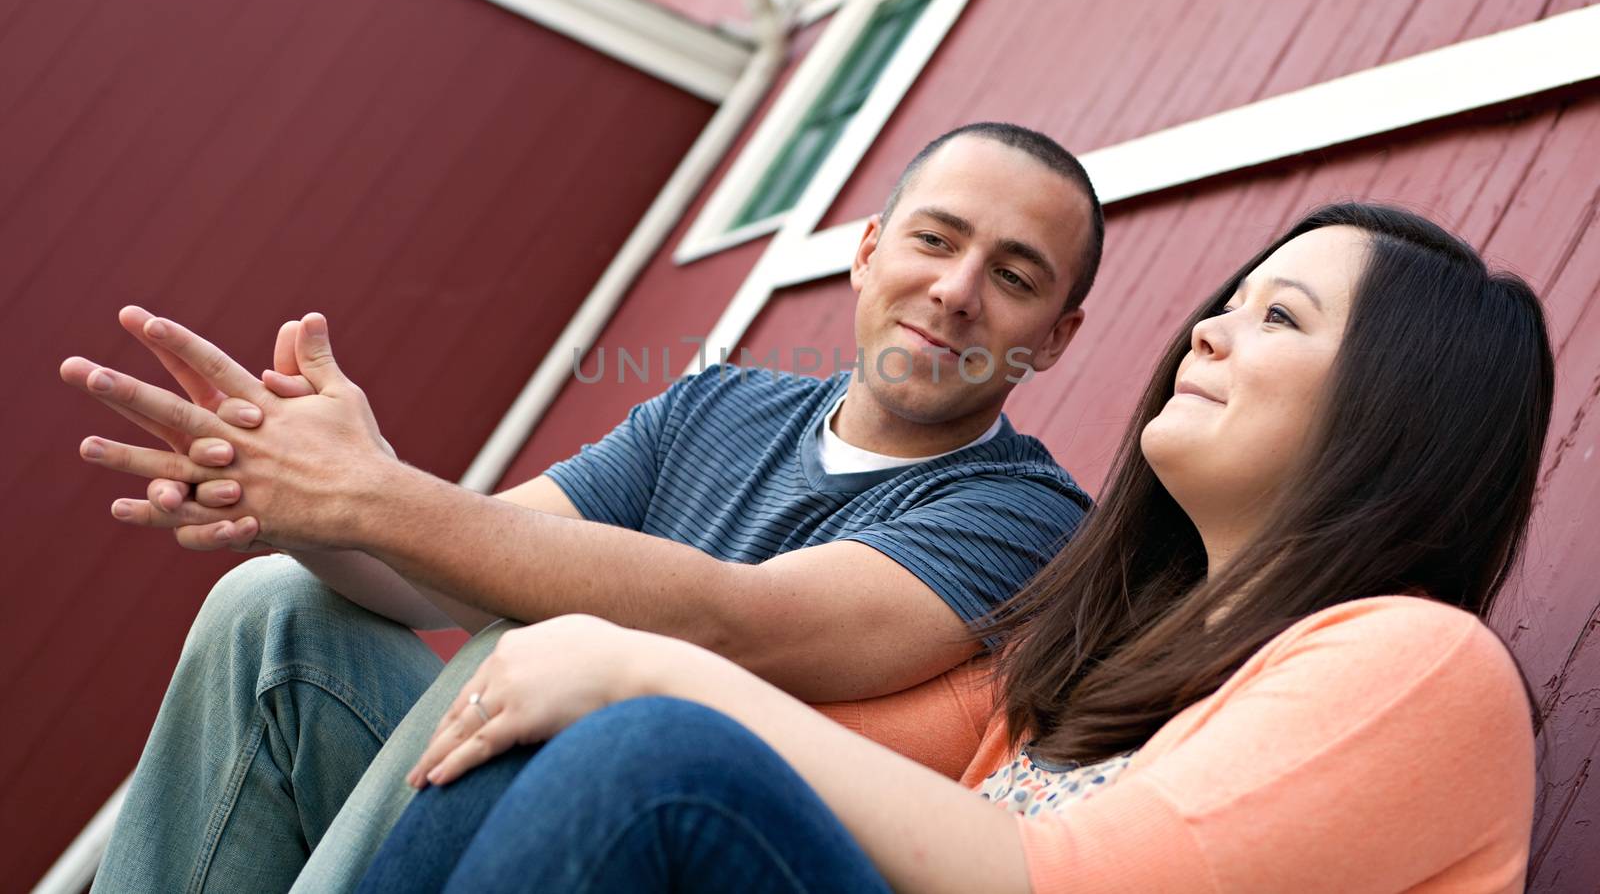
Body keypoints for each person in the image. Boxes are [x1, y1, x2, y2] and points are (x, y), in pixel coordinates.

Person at [360, 202, 1553, 894]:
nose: (1208, 327)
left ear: (1397, 408)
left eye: (1277, 316)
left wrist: (646, 666)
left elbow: (1065, 881)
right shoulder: (1099, 643)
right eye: (1232, 299)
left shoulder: (1420, 665)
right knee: (570, 722)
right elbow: (813, 744)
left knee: (653, 747)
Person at [65, 122, 1104, 893]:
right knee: (274, 603)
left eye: (1012, 276)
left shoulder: (1025, 513)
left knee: (535, 646)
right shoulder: (721, 403)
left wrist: (377, 494)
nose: (956, 290)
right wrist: (309, 509)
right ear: (869, 248)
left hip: (646, 844)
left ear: (1055, 335)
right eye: (935, 239)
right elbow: (443, 566)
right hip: (484, 815)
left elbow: (735, 616)